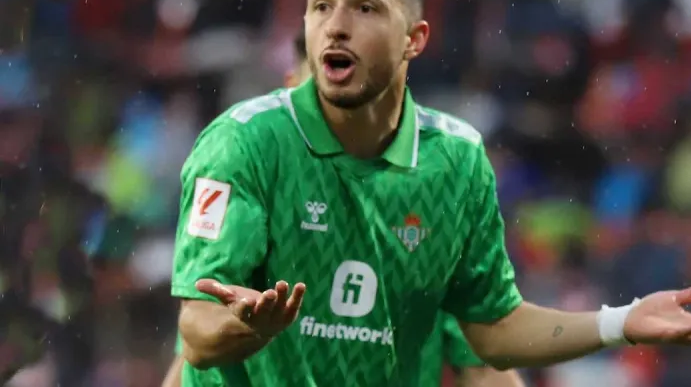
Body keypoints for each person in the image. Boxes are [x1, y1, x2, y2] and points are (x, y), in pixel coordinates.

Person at [172, 0, 691, 386]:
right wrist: (246, 326)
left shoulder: (455, 161)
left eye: (364, 7)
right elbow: (195, 336)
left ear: (414, 39)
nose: (336, 25)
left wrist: (620, 323)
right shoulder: (242, 144)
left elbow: (493, 334)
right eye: (320, 6)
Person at [162, 31, 526, 387]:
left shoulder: (428, 209)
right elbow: (194, 349)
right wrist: (242, 328)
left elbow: (483, 368)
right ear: (290, 88)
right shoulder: (252, 184)